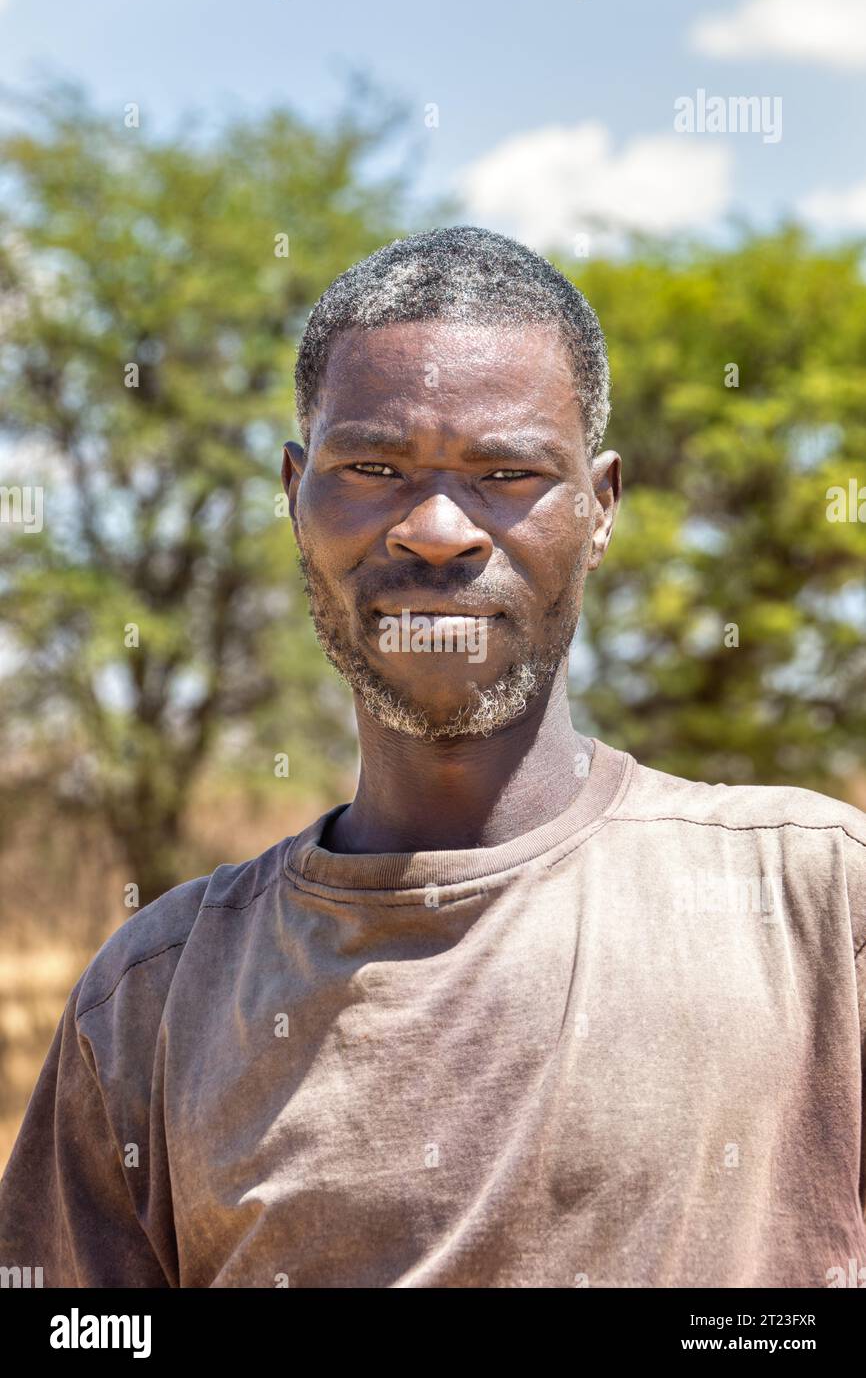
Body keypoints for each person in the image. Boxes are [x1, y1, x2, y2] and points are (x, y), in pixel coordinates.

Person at [1, 225, 864, 1289]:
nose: (440, 528)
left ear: (599, 509)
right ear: (292, 493)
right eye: (373, 466)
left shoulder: (815, 906)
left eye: (507, 471)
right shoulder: (148, 1007)